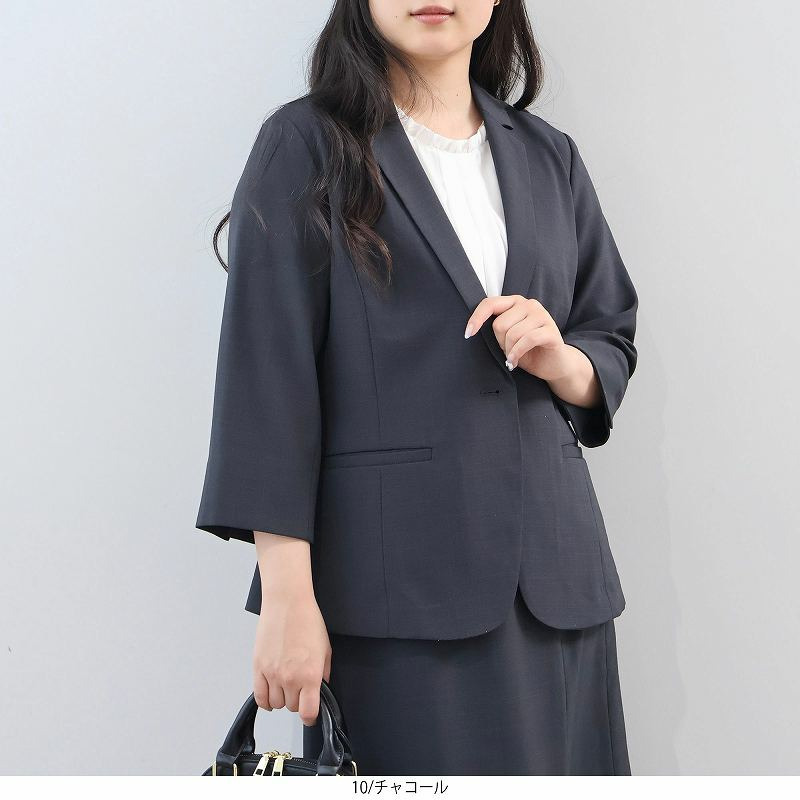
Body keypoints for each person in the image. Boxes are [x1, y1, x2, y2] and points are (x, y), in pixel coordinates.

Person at [196, 0, 638, 776]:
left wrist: (560, 359)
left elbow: (610, 333)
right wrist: (288, 600)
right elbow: (268, 382)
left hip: (558, 588)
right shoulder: (307, 143)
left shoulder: (549, 155)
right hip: (396, 598)